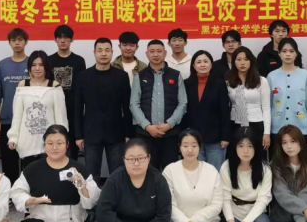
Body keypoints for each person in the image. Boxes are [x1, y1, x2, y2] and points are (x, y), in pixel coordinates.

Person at [11, 125, 100, 222]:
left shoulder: (78, 168)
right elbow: (17, 192)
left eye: (59, 143)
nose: (54, 147)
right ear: (44, 145)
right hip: (39, 221)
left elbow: (92, 201)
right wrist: (30, 200)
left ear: (67, 145)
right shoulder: (33, 169)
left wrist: (81, 184)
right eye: (50, 143)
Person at [163, 129, 224, 222]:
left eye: (194, 145)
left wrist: (195, 220)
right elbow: (169, 204)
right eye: (185, 145)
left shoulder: (211, 171)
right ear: (179, 147)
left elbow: (217, 204)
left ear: (199, 147)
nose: (189, 150)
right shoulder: (170, 171)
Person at [220, 127, 281, 222]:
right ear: (235, 147)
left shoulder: (265, 169)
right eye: (241, 146)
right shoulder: (226, 167)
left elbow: (263, 200)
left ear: (256, 147)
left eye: (250, 146)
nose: (245, 150)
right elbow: (225, 200)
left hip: (255, 214)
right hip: (234, 215)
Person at [75, 38, 133, 184]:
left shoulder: (121, 76)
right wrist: (78, 135)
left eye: (107, 50)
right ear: (94, 53)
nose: (103, 54)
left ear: (112, 52)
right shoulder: (83, 76)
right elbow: (78, 108)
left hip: (116, 133)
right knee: (91, 175)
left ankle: (116, 198)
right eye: (100, 50)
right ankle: (91, 199)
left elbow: (127, 107)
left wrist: (128, 133)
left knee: (118, 174)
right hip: (91, 133)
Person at [130, 39, 187, 170]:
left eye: (159, 51)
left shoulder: (176, 75)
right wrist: (147, 126)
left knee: (171, 171)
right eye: (152, 51)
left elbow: (183, 103)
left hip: (170, 134)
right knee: (148, 171)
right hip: (146, 135)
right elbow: (134, 104)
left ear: (165, 53)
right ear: (147, 54)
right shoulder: (139, 76)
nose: (155, 54)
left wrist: (169, 124)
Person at [7, 50, 67, 170]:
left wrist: (62, 138)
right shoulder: (23, 85)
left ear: (46, 67)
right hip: (27, 142)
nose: (37, 68)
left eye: (41, 65)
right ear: (29, 67)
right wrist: (13, 137)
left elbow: (60, 117)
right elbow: (17, 116)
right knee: (30, 176)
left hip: (50, 144)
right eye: (34, 65)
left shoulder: (54, 86)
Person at [267, 38, 307, 160]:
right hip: (277, 129)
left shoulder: (306, 75)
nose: (288, 54)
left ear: (296, 53)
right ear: (279, 54)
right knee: (278, 165)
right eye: (284, 51)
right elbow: (267, 106)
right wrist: (267, 131)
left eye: (291, 51)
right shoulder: (271, 76)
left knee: (304, 164)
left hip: (302, 129)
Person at [182, 50, 231, 170]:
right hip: (193, 138)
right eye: (198, 62)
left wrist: (225, 136)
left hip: (215, 138)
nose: (202, 64)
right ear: (193, 66)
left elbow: (225, 111)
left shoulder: (220, 84)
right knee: (197, 171)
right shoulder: (186, 84)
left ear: (211, 64)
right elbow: (184, 110)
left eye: (205, 61)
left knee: (215, 172)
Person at [0, 28, 30, 184]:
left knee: (29, 161)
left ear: (26, 42)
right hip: (7, 120)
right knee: (9, 161)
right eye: (14, 40)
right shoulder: (2, 65)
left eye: (20, 40)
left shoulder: (32, 63)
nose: (17, 43)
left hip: (29, 121)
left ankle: (29, 191)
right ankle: (10, 192)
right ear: (9, 43)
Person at [47, 25, 87, 159]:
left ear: (71, 40)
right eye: (59, 37)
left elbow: (82, 87)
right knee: (54, 143)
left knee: (72, 149)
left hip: (74, 109)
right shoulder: (49, 60)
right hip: (54, 109)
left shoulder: (79, 61)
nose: (63, 40)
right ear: (55, 40)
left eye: (66, 37)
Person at [226, 46, 271, 151]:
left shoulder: (261, 81)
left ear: (251, 61)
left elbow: (266, 108)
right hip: (235, 124)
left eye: (246, 59)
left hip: (256, 123)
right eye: (239, 59)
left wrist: (266, 132)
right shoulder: (228, 82)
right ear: (234, 62)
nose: (242, 63)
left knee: (256, 155)